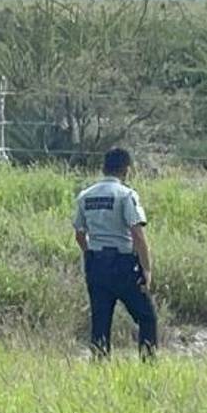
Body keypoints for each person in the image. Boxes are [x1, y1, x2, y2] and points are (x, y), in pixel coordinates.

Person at [72, 147, 158, 360]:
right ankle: (148, 365)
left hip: (97, 264)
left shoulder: (85, 196)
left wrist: (90, 255)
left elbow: (79, 234)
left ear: (104, 168)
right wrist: (146, 269)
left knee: (100, 321)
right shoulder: (126, 195)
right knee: (147, 317)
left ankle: (100, 368)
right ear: (126, 169)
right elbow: (137, 234)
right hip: (123, 265)